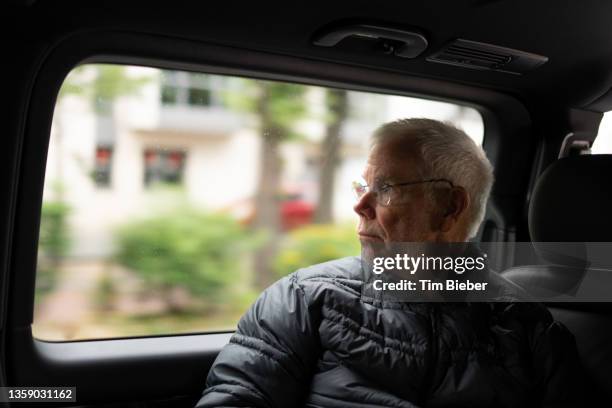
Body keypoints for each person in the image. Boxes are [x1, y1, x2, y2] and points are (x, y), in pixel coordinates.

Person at [195, 118, 583, 407]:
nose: (359, 205)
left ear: (450, 207)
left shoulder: (528, 326)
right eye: (363, 187)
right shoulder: (303, 298)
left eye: (385, 189)